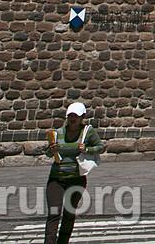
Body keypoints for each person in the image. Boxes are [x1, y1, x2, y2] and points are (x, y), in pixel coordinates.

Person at [44, 100, 103, 244]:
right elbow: (48, 153)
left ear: (82, 117)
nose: (72, 118)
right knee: (54, 213)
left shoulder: (88, 132)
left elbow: (100, 146)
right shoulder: (58, 133)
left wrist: (87, 149)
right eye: (70, 115)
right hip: (57, 178)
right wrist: (51, 150)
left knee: (69, 214)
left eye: (75, 116)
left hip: (76, 179)